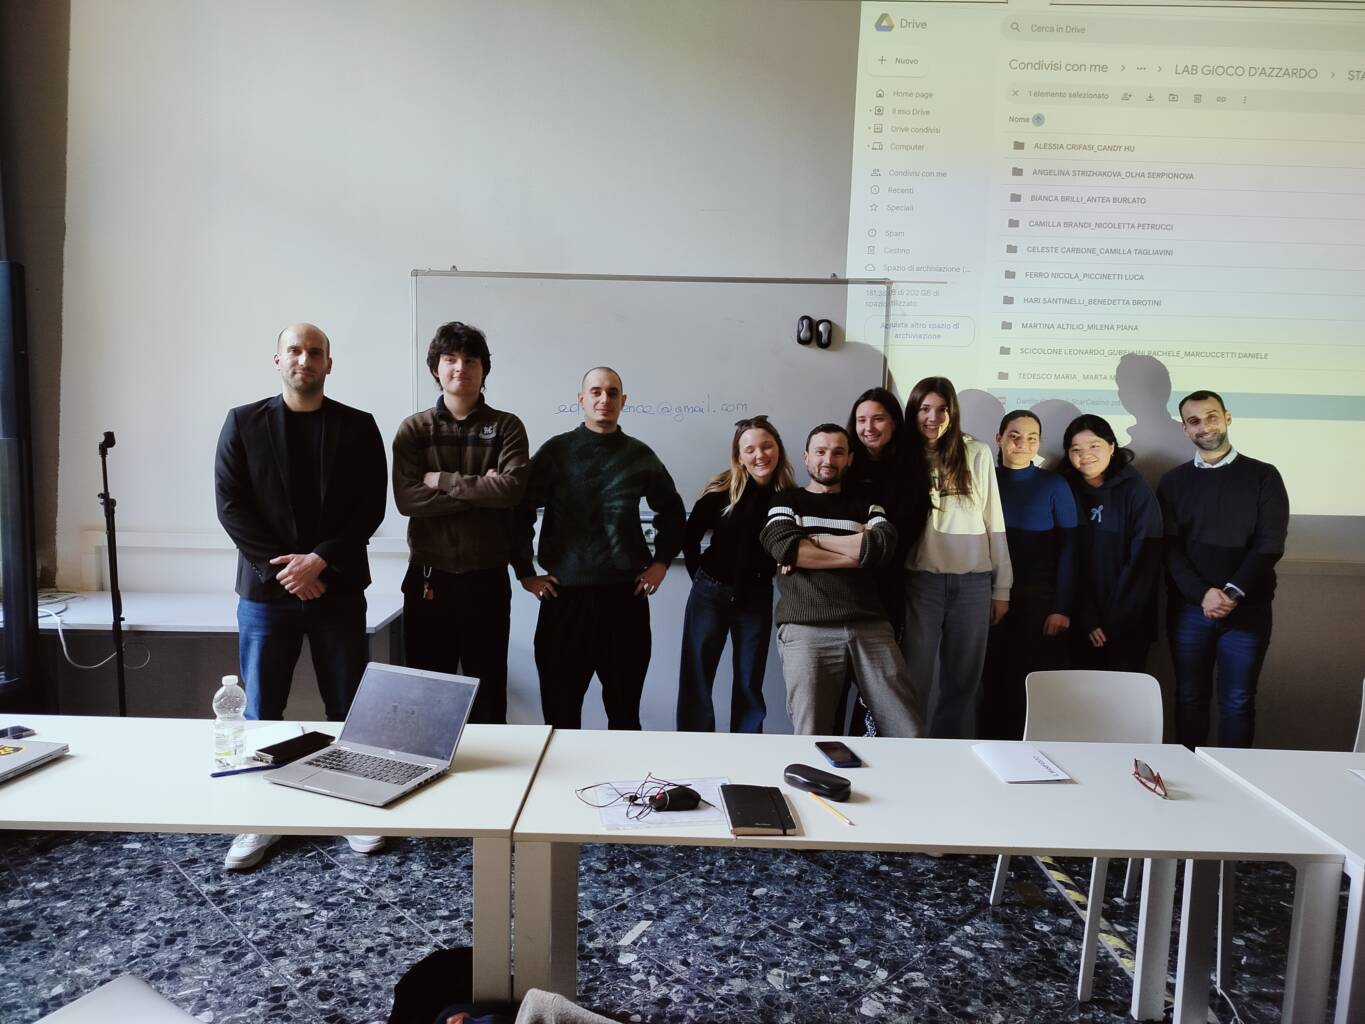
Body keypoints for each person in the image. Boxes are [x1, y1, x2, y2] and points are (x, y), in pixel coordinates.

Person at [214, 322, 387, 869]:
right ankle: (259, 818)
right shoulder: (242, 422)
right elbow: (230, 505)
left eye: (315, 352)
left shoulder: (358, 426)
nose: (304, 359)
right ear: (278, 360)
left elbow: (370, 507)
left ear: (328, 363)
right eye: (295, 350)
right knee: (263, 707)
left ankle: (353, 808)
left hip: (337, 588)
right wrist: (287, 570)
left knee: (348, 706)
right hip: (267, 594)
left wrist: (320, 560)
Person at [514, 367, 685, 729]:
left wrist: (661, 563)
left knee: (625, 716)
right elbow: (520, 510)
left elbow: (672, 511)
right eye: (595, 391)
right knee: (560, 717)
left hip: (624, 600)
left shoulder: (638, 455)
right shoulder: (556, 452)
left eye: (612, 392)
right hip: (564, 599)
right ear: (582, 399)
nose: (604, 399)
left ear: (623, 401)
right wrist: (525, 573)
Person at [392, 321, 528, 724]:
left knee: (488, 695)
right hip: (429, 578)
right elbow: (407, 500)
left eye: (470, 360)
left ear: (484, 369)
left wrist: (443, 481)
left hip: (487, 579)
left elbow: (511, 491)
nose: (460, 368)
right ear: (436, 367)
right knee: (427, 697)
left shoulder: (506, 426)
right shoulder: (414, 429)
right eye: (450, 359)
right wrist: (481, 491)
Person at [758, 423, 923, 737]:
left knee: (907, 729)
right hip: (807, 627)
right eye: (820, 451)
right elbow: (787, 548)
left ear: (849, 459)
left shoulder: (867, 503)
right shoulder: (786, 502)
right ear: (806, 457)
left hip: (870, 625)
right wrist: (857, 553)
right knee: (812, 732)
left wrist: (817, 539)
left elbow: (882, 546)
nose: (828, 460)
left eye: (838, 452)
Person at [1158, 390, 1288, 748]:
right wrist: (1203, 594)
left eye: (1211, 417)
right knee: (1189, 699)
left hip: (1248, 609)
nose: (1205, 426)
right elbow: (1169, 548)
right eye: (1194, 421)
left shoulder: (1264, 476)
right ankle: (1189, 775)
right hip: (1189, 611)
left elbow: (1270, 544)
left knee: (1238, 703)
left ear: (1227, 418)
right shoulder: (1172, 482)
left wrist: (1230, 593)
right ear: (1185, 429)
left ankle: (1232, 777)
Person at [901, 377, 1012, 739]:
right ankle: (910, 753)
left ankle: (951, 754)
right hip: (922, 583)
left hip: (973, 584)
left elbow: (994, 520)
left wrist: (1002, 587)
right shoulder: (902, 455)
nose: (933, 418)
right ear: (914, 412)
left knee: (962, 684)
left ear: (953, 413)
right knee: (913, 679)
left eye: (942, 409)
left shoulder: (975, 452)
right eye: (925, 409)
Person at [675, 415, 796, 733]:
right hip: (711, 592)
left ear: (778, 449)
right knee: (698, 677)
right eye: (750, 449)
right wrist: (699, 578)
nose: (760, 455)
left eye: (766, 446)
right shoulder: (722, 491)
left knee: (749, 680)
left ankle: (746, 747)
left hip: (756, 596)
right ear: (739, 456)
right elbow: (689, 537)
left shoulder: (789, 498)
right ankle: (694, 744)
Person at [979, 410, 1077, 740]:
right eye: (1014, 436)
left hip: (1039, 604)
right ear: (999, 439)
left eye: (1032, 438)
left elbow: (1069, 551)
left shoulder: (1054, 484)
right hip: (988, 599)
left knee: (1031, 684)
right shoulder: (985, 481)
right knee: (991, 682)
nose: (1023, 443)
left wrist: (1062, 607)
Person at [840, 387, 930, 734]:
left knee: (878, 688)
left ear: (894, 421)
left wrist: (862, 541)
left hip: (887, 593)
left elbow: (899, 537)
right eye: (861, 420)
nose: (868, 428)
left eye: (878, 419)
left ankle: (867, 753)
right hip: (842, 587)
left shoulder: (912, 469)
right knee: (835, 686)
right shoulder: (844, 464)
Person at [1060, 413, 1162, 673]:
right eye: (1076, 449)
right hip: (1079, 620)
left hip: (1129, 623)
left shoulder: (1136, 490)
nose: (1085, 455)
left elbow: (1144, 564)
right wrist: (1088, 619)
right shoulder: (1062, 489)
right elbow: (1065, 560)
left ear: (1112, 447)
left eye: (1094, 446)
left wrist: (1113, 621)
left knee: (1124, 693)